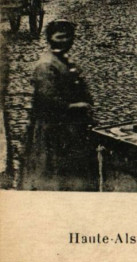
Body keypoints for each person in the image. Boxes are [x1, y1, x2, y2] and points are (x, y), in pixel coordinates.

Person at [20, 20, 95, 191]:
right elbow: (49, 101)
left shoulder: (66, 61)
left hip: (70, 128)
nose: (65, 41)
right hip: (51, 129)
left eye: (69, 37)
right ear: (50, 38)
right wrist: (76, 106)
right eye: (59, 37)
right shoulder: (46, 65)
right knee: (51, 172)